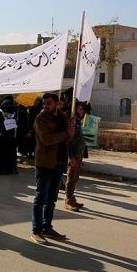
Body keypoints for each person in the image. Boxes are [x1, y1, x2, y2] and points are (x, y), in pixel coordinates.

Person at [30, 93, 74, 244]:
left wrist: (71, 130)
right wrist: (65, 134)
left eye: (49, 103)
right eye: (44, 103)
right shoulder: (40, 119)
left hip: (59, 162)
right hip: (45, 162)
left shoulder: (63, 117)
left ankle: (47, 227)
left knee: (52, 199)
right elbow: (47, 139)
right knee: (41, 197)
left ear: (57, 103)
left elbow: (69, 137)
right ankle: (36, 230)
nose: (45, 106)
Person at [65, 102, 87, 211]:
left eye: (82, 109)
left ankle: (72, 198)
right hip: (73, 153)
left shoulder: (77, 121)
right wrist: (71, 156)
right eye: (79, 109)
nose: (81, 111)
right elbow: (68, 141)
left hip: (79, 152)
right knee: (71, 176)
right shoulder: (71, 121)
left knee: (76, 177)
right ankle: (68, 200)